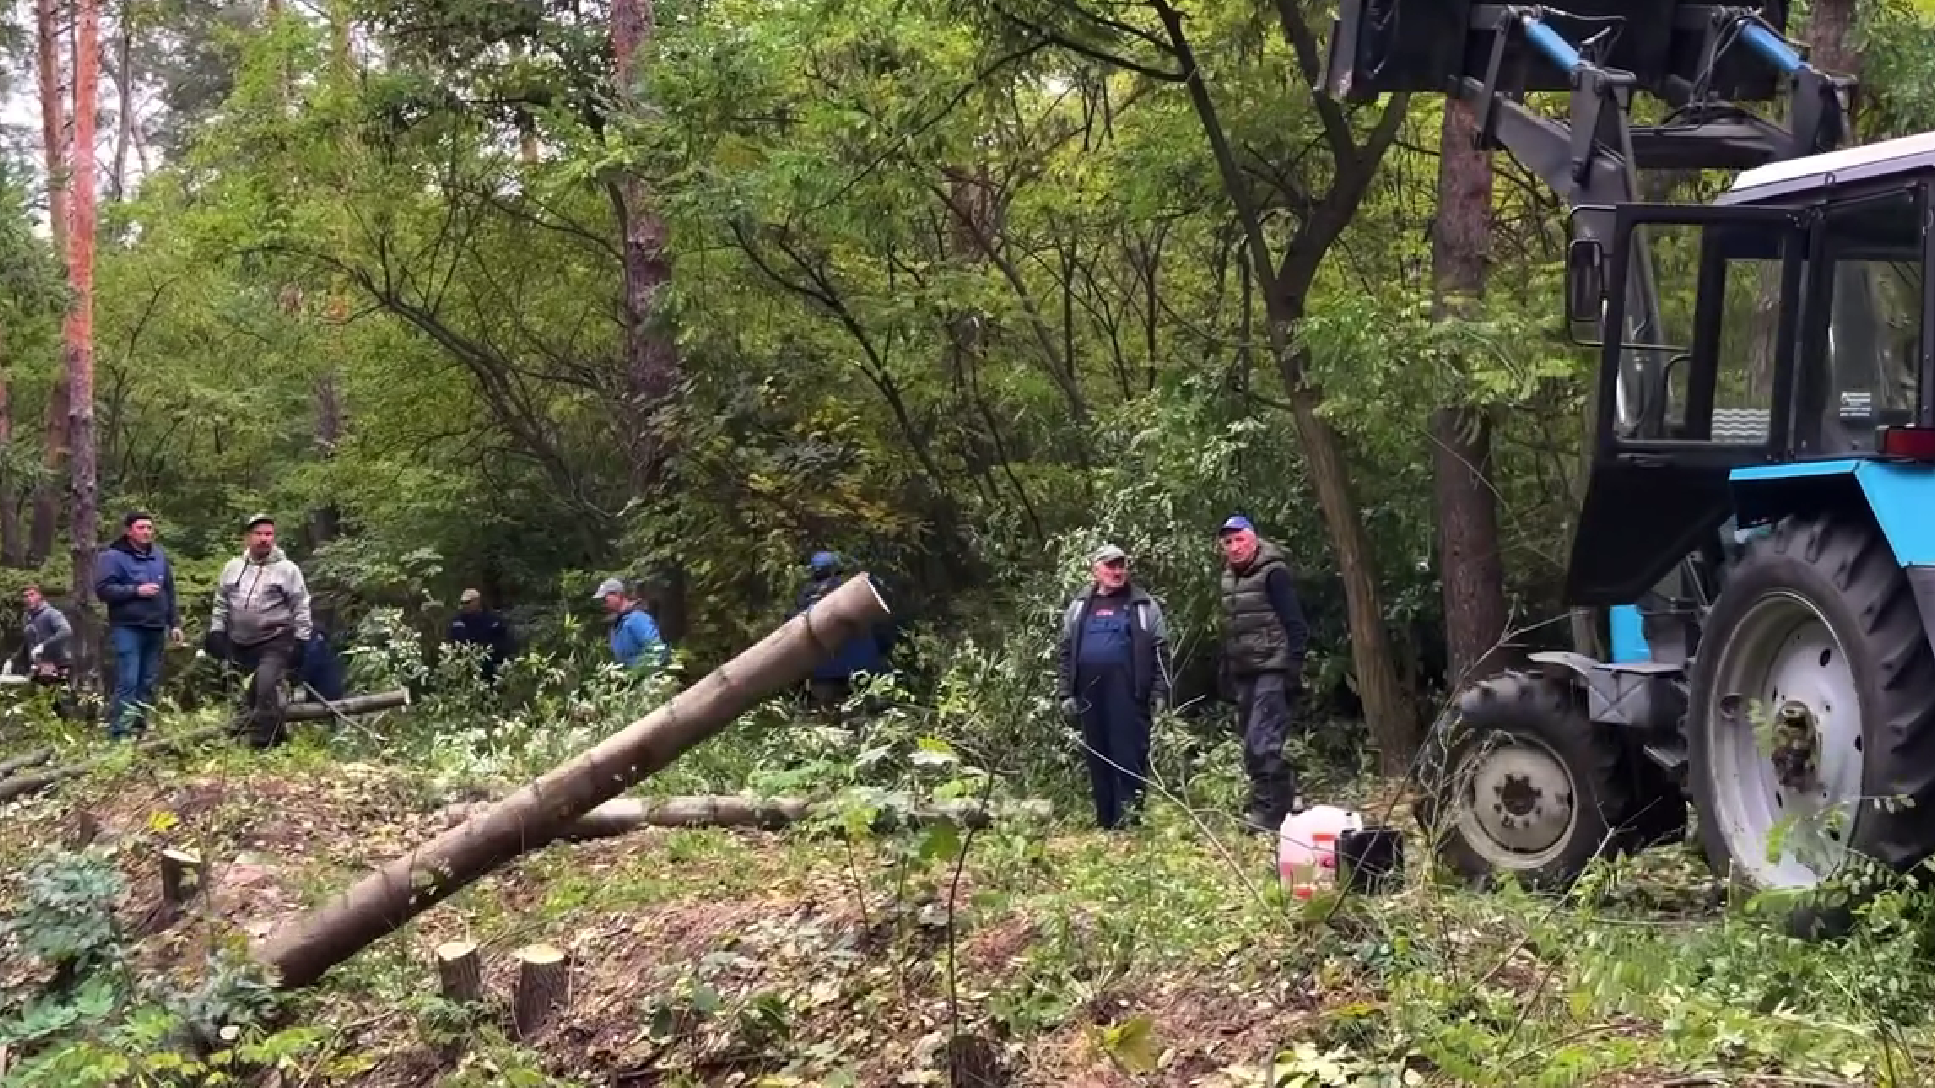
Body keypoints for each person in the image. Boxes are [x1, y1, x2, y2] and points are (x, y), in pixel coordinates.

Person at [1056, 543, 1171, 830]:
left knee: (1128, 756)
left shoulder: (1143, 606)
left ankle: (1129, 823)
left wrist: (1159, 691)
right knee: (1098, 757)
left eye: (1121, 565)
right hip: (1089, 695)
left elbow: (1160, 652)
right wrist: (1065, 692)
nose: (1117, 571)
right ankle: (1105, 823)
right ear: (1095, 570)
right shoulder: (1079, 606)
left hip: (1129, 694)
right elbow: (1066, 651)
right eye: (1110, 566)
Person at [1216, 515, 1310, 833]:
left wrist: (1292, 668)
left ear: (1253, 539)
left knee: (1263, 740)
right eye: (1228, 542)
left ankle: (1271, 812)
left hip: (1273, 666)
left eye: (1239, 539)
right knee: (1249, 742)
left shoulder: (1273, 573)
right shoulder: (1228, 579)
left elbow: (1295, 623)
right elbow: (1233, 628)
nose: (1234, 547)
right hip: (1245, 671)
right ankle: (1277, 800)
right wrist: (1227, 670)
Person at [206, 515, 314, 749]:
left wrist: (302, 639)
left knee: (265, 684)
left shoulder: (287, 570)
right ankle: (276, 735)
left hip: (276, 638)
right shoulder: (233, 567)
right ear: (247, 538)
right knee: (247, 693)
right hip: (240, 641)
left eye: (269, 534)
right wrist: (216, 631)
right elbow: (221, 601)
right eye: (259, 534)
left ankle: (262, 744)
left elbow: (301, 604)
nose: (265, 539)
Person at [94, 512, 184, 740]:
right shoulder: (113, 557)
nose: (146, 532)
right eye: (141, 527)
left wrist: (174, 623)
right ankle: (120, 732)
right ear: (128, 531)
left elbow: (169, 592)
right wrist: (136, 590)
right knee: (128, 680)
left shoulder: (159, 557)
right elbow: (103, 590)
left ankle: (141, 728)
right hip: (128, 627)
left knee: (148, 681)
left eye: (149, 527)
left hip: (155, 627)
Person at [793, 551, 892, 715]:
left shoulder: (803, 601)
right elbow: (882, 632)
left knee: (825, 720)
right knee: (870, 717)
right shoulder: (856, 594)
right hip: (864, 672)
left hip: (822, 675)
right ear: (838, 569)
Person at [596, 577, 668, 668]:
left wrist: (639, 673)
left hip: (644, 678)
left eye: (605, 599)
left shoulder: (637, 619)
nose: (603, 604)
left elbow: (657, 650)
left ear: (617, 595)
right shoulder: (616, 625)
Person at [447, 587, 515, 682]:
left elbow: (503, 640)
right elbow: (457, 639)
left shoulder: (493, 619)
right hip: (467, 663)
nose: (465, 606)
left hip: (493, 662)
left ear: (477, 601)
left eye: (468, 602)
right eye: (463, 603)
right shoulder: (458, 622)